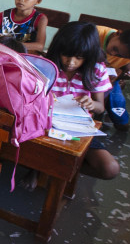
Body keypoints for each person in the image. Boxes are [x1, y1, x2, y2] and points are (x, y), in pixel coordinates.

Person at [45, 22, 120, 179]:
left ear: (89, 55)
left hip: (78, 129)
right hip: (45, 126)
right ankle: (45, 169)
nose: (71, 62)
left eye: (79, 57)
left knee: (110, 169)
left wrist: (92, 104)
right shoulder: (47, 65)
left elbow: (100, 108)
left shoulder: (96, 69)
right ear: (58, 50)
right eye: (66, 55)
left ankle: (54, 169)